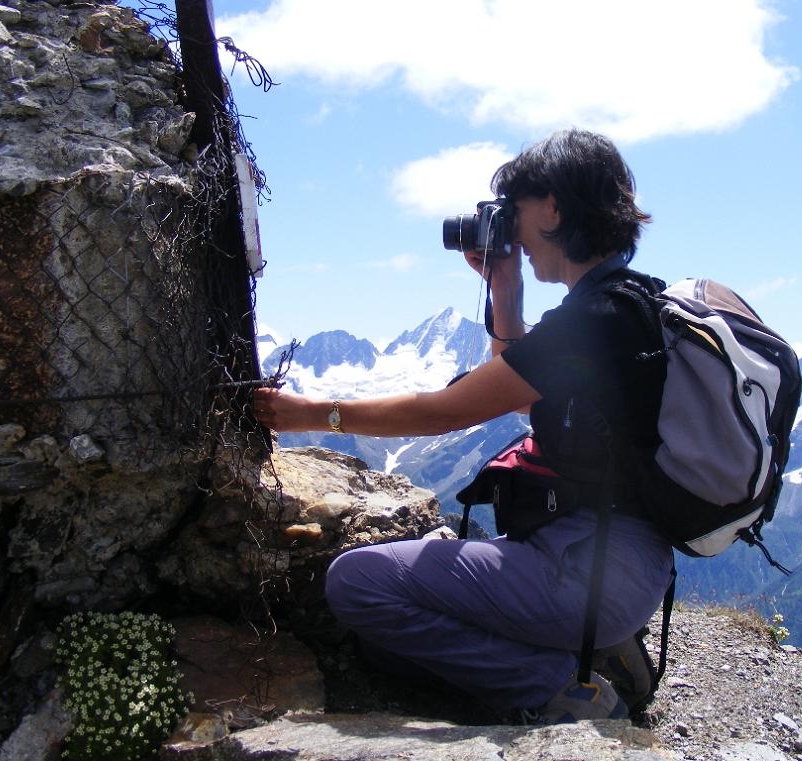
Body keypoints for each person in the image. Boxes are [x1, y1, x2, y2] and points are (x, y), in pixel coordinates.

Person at [252, 128, 675, 723]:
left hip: (588, 569)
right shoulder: (627, 303)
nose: (515, 233)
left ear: (552, 206)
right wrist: (506, 286)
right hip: (613, 559)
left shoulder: (594, 318)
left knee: (356, 584)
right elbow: (528, 402)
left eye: (517, 212)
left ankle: (563, 686)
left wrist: (313, 414)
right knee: (389, 650)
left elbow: (444, 411)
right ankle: (590, 646)